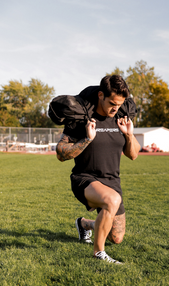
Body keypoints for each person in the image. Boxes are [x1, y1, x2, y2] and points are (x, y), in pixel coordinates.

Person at [56, 75, 141, 264]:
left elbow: (133, 155)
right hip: (84, 178)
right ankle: (98, 254)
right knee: (112, 200)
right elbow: (61, 154)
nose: (115, 108)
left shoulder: (120, 116)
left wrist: (129, 135)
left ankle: (85, 224)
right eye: (112, 103)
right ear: (101, 95)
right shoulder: (82, 116)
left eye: (119, 104)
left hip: (112, 181)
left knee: (116, 237)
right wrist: (87, 139)